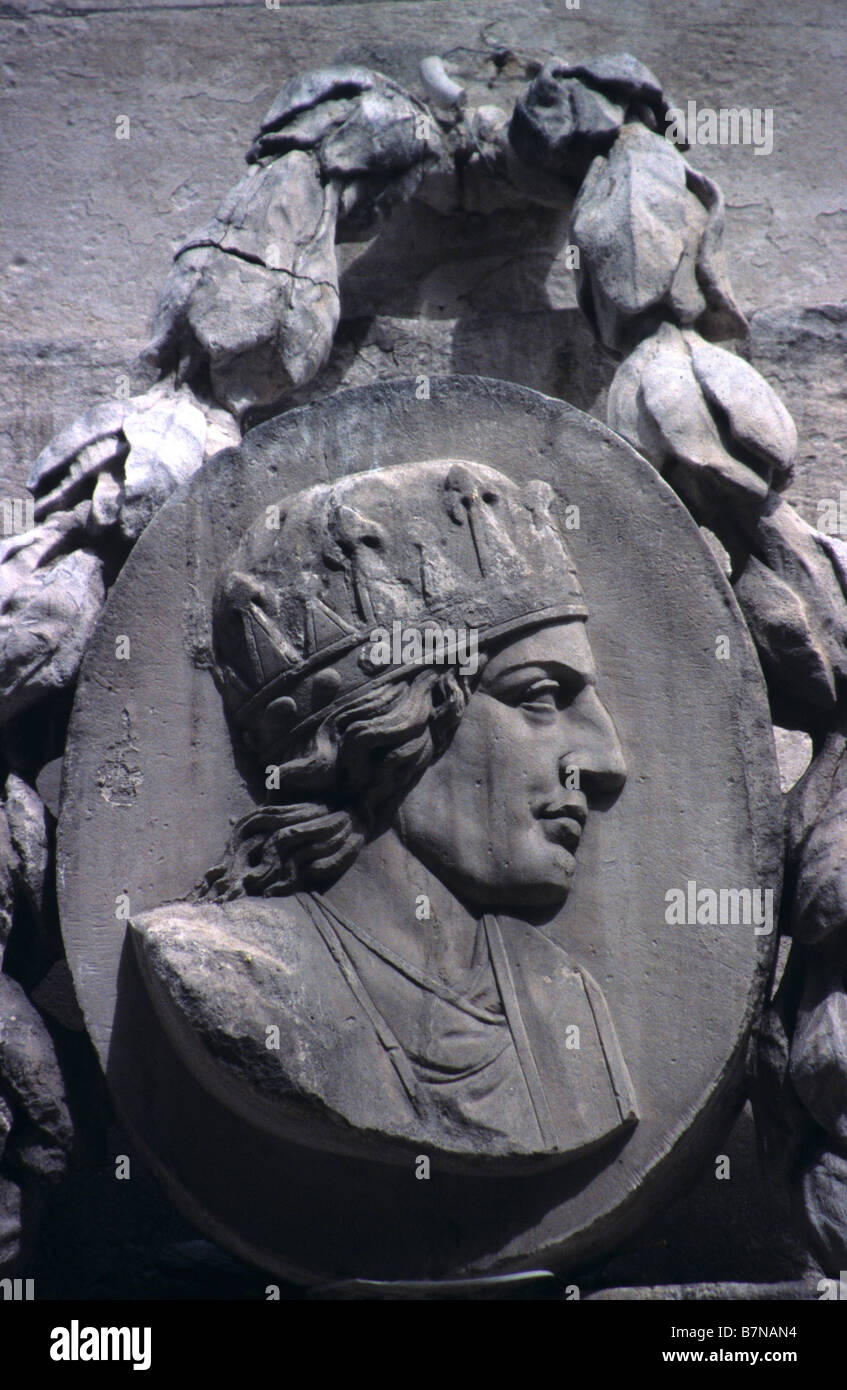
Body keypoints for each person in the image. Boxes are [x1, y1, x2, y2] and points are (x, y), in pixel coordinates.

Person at [131, 458, 638, 1169]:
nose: (607, 760)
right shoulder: (233, 974)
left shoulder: (565, 1006)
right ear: (393, 730)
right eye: (539, 698)